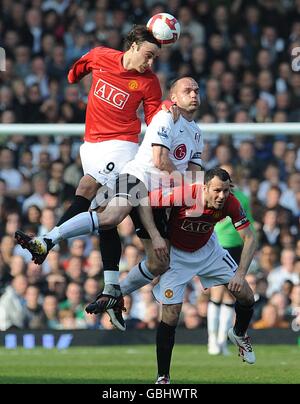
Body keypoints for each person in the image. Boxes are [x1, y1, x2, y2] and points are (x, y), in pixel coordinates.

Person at [15, 77, 204, 330]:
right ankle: (47, 240)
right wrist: (192, 186)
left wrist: (194, 195)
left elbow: (193, 174)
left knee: (160, 262)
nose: (193, 94)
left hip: (158, 198)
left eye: (196, 91)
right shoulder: (165, 117)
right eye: (187, 91)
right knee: (109, 217)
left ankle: (115, 292)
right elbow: (160, 161)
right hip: (137, 176)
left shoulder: (197, 134)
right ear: (173, 96)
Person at [16, 25, 164, 303]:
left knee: (86, 187)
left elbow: (155, 122)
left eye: (155, 57)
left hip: (121, 144)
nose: (150, 62)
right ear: (132, 46)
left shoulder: (149, 81)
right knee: (103, 216)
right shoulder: (101, 56)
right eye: (148, 55)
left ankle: (46, 242)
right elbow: (76, 72)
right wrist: (75, 76)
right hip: (91, 145)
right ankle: (110, 288)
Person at [141, 168, 257, 384]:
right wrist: (155, 239)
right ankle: (163, 376)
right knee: (171, 314)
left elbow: (250, 238)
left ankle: (239, 333)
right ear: (204, 187)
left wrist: (241, 274)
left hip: (209, 251)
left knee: (247, 297)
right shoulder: (183, 194)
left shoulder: (231, 203)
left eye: (225, 190)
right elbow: (145, 202)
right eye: (217, 191)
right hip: (177, 254)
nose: (222, 196)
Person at [207, 163, 255, 356]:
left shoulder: (240, 198)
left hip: (237, 246)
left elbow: (248, 225)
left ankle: (221, 340)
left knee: (229, 294)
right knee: (217, 293)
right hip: (221, 245)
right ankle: (213, 340)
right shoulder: (225, 197)